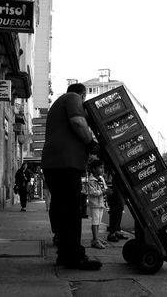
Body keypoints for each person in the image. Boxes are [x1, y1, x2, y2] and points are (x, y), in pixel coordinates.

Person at [41, 83, 101, 270]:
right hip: (65, 163)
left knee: (62, 210)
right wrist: (91, 143)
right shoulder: (72, 98)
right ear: (82, 95)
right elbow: (77, 121)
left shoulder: (58, 104)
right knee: (72, 211)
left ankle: (65, 254)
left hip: (55, 163)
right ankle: (75, 257)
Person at [87, 159, 112, 249]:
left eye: (103, 167)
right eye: (100, 168)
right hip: (95, 204)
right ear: (94, 169)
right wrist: (103, 191)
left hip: (101, 203)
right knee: (95, 222)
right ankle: (95, 240)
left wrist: (107, 191)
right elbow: (92, 192)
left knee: (98, 222)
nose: (102, 169)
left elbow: (104, 187)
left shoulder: (101, 178)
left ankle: (96, 238)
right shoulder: (91, 181)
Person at [107, 177, 128, 242]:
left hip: (122, 179)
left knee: (119, 207)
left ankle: (116, 230)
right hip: (117, 178)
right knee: (118, 205)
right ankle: (112, 232)